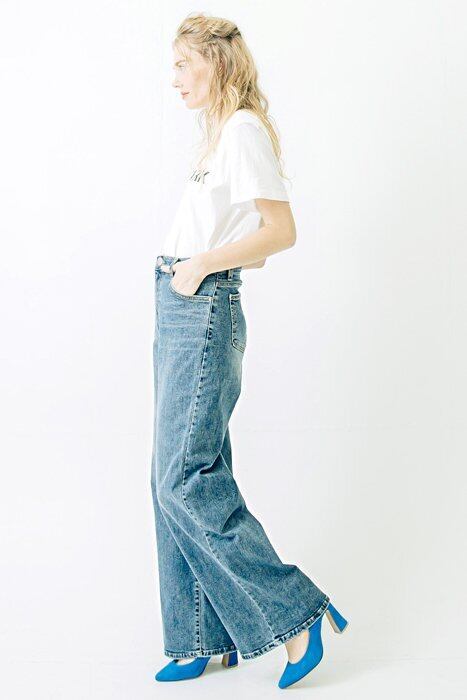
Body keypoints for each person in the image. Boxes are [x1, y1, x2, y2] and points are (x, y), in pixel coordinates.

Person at [150, 13, 348, 689]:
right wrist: (196, 268)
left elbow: (280, 230)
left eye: (184, 63)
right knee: (174, 475)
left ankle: (297, 615)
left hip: (200, 304)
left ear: (218, 62)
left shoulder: (240, 130)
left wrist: (203, 265)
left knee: (182, 477)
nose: (174, 79)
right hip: (182, 296)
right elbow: (247, 236)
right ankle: (202, 637)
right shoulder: (218, 135)